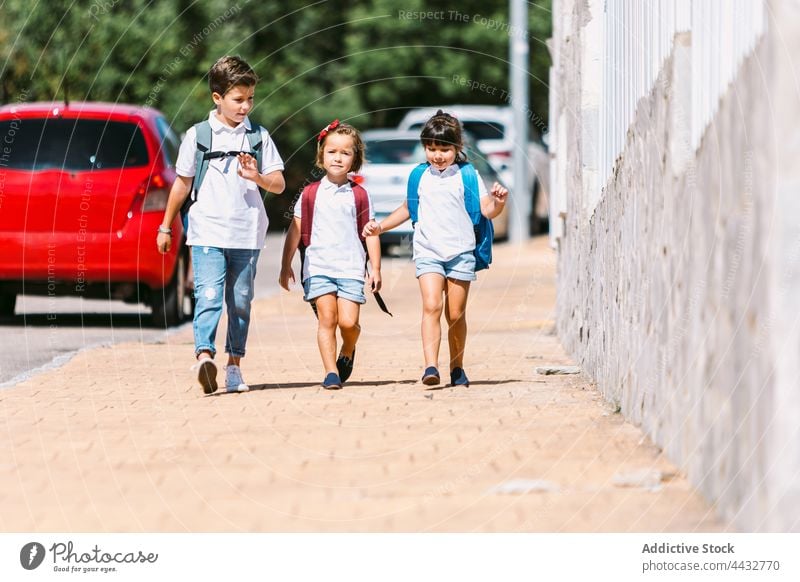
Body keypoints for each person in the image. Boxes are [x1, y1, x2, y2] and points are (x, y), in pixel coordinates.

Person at [156, 55, 286, 395]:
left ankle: (234, 366)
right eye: (238, 100)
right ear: (218, 98)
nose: (245, 107)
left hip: (247, 230)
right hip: (207, 230)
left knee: (240, 302)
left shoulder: (258, 136)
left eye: (250, 99)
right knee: (209, 296)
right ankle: (204, 356)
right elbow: (182, 184)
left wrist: (256, 175)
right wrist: (166, 226)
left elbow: (279, 183)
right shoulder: (198, 135)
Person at [362, 110, 508, 387]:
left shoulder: (468, 175)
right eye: (431, 148)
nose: (437, 155)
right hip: (427, 250)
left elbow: (487, 210)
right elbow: (407, 208)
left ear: (457, 148)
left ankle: (457, 367)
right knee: (431, 306)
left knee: (455, 314)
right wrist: (381, 227)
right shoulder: (419, 176)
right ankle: (430, 366)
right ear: (424, 147)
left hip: (461, 253)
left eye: (444, 149)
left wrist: (498, 202)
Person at [279, 120, 381, 389]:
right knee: (328, 319)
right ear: (321, 154)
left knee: (349, 323)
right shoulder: (310, 193)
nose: (338, 157)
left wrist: (377, 270)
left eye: (346, 153)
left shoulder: (360, 195)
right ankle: (330, 372)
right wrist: (285, 264)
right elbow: (295, 229)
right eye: (332, 151)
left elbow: (371, 232)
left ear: (355, 159)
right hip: (318, 267)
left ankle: (348, 350)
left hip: (350, 268)